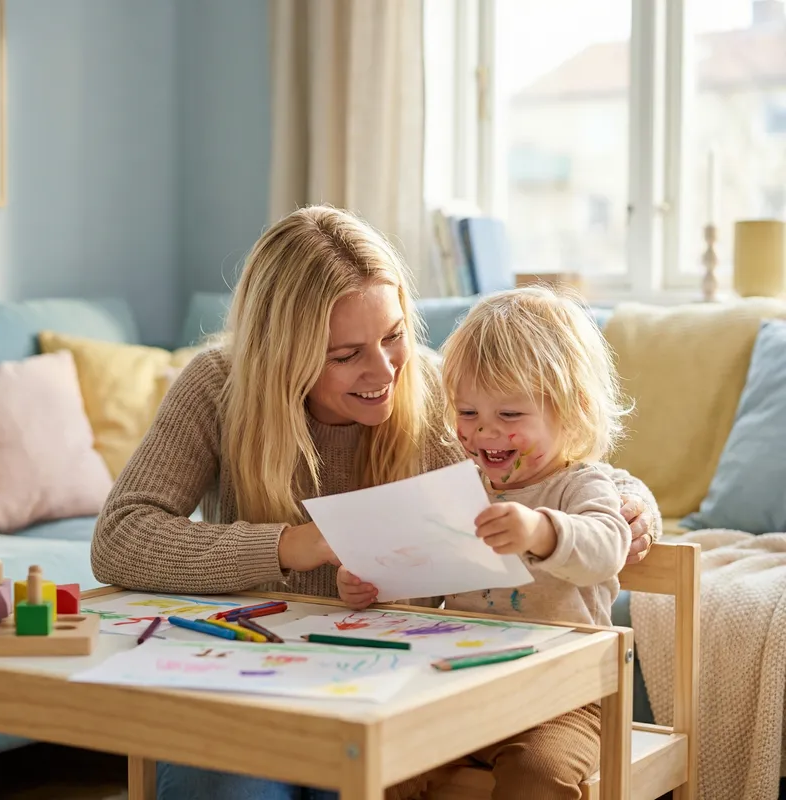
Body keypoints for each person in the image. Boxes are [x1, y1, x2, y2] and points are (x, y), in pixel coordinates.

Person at [90, 207, 659, 800]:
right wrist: (294, 545)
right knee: (228, 785)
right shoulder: (217, 387)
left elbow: (561, 461)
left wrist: (631, 502)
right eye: (346, 355)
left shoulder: (444, 395)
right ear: (282, 352)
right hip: (253, 676)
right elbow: (122, 535)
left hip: (388, 686)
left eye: (394, 336)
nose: (384, 370)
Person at [339, 286, 639, 799]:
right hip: (459, 685)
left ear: (573, 409)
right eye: (469, 413)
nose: (485, 434)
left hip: (562, 701)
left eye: (510, 416)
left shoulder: (579, 484)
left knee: (538, 777)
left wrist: (541, 532)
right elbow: (424, 569)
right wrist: (374, 579)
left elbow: (607, 545)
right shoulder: (462, 483)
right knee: (384, 757)